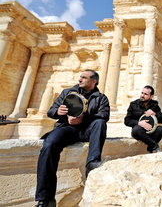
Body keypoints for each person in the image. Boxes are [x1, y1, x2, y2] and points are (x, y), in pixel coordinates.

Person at [35, 69, 110, 207]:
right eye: (80, 77)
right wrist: (58, 112)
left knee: (100, 123)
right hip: (67, 128)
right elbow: (51, 111)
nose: (79, 79)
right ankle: (45, 199)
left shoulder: (101, 98)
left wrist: (82, 119)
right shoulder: (67, 93)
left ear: (94, 81)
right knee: (48, 146)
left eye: (84, 77)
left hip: (86, 130)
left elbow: (104, 115)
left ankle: (92, 163)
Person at [125, 85, 162, 153]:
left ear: (151, 96)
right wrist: (139, 123)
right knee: (136, 129)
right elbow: (127, 121)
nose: (142, 95)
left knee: (160, 129)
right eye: (142, 93)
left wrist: (155, 113)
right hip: (139, 132)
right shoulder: (133, 104)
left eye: (146, 94)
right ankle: (155, 146)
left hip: (151, 132)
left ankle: (149, 150)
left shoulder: (154, 105)